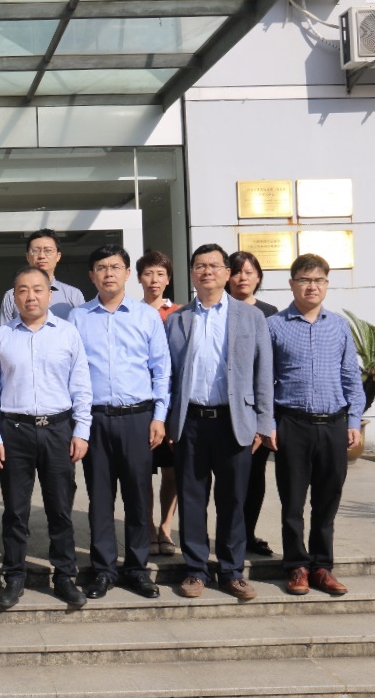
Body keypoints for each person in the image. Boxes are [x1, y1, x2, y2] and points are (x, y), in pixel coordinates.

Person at [165, 244, 274, 601]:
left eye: (214, 265)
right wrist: (167, 420)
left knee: (233, 500)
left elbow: (263, 373)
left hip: (234, 421)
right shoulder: (179, 318)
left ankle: (231, 570)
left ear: (227, 273)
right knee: (192, 499)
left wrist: (263, 423)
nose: (207, 271)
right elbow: (168, 374)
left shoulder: (250, 317)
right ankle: (195, 569)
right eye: (200, 265)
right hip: (191, 422)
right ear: (192, 273)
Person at [0, 266, 92, 609]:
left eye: (37, 289)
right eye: (23, 290)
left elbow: (81, 386)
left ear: (49, 294)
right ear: (14, 297)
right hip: (14, 432)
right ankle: (14, 576)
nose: (30, 296)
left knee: (60, 508)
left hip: (58, 430)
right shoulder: (1, 336)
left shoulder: (68, 333)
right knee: (15, 511)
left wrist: (82, 431)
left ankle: (65, 576)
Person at [69, 246, 170, 600]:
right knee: (100, 499)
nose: (108, 273)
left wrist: (159, 417)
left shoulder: (146, 317)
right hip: (95, 419)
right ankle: (103, 570)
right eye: (101, 267)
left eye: (115, 267)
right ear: (92, 275)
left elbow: (161, 370)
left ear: (128, 273)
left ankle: (138, 569)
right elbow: (72, 372)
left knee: (138, 497)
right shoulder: (78, 318)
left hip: (138, 418)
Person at [265, 253, 364, 597]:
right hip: (292, 423)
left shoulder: (338, 326)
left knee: (327, 500)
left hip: (333, 424)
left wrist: (354, 420)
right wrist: (268, 423)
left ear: (326, 284)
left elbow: (351, 377)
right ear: (292, 284)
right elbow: (264, 381)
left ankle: (322, 566)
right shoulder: (274, 326)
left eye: (319, 280)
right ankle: (296, 566)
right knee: (292, 502)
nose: (312, 286)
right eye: (305, 280)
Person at [226, 250, 279, 558]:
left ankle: (247, 533)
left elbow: (269, 369)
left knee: (255, 476)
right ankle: (228, 535)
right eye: (237, 271)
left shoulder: (269, 313)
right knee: (227, 479)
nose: (242, 278)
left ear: (258, 277)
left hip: (257, 409)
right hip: (225, 410)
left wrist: (265, 418)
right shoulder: (219, 309)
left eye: (249, 272)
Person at [137, 249, 182, 557]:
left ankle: (166, 527)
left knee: (172, 471)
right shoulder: (130, 312)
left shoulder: (179, 314)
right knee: (144, 470)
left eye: (161, 274)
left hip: (173, 403)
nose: (154, 280)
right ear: (139, 278)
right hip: (143, 404)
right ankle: (149, 528)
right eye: (149, 273)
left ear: (168, 279)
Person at [0, 228, 86, 322]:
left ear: (58, 256)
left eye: (48, 251)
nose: (41, 256)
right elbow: (5, 330)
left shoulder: (73, 295)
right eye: (35, 251)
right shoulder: (11, 296)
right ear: (27, 256)